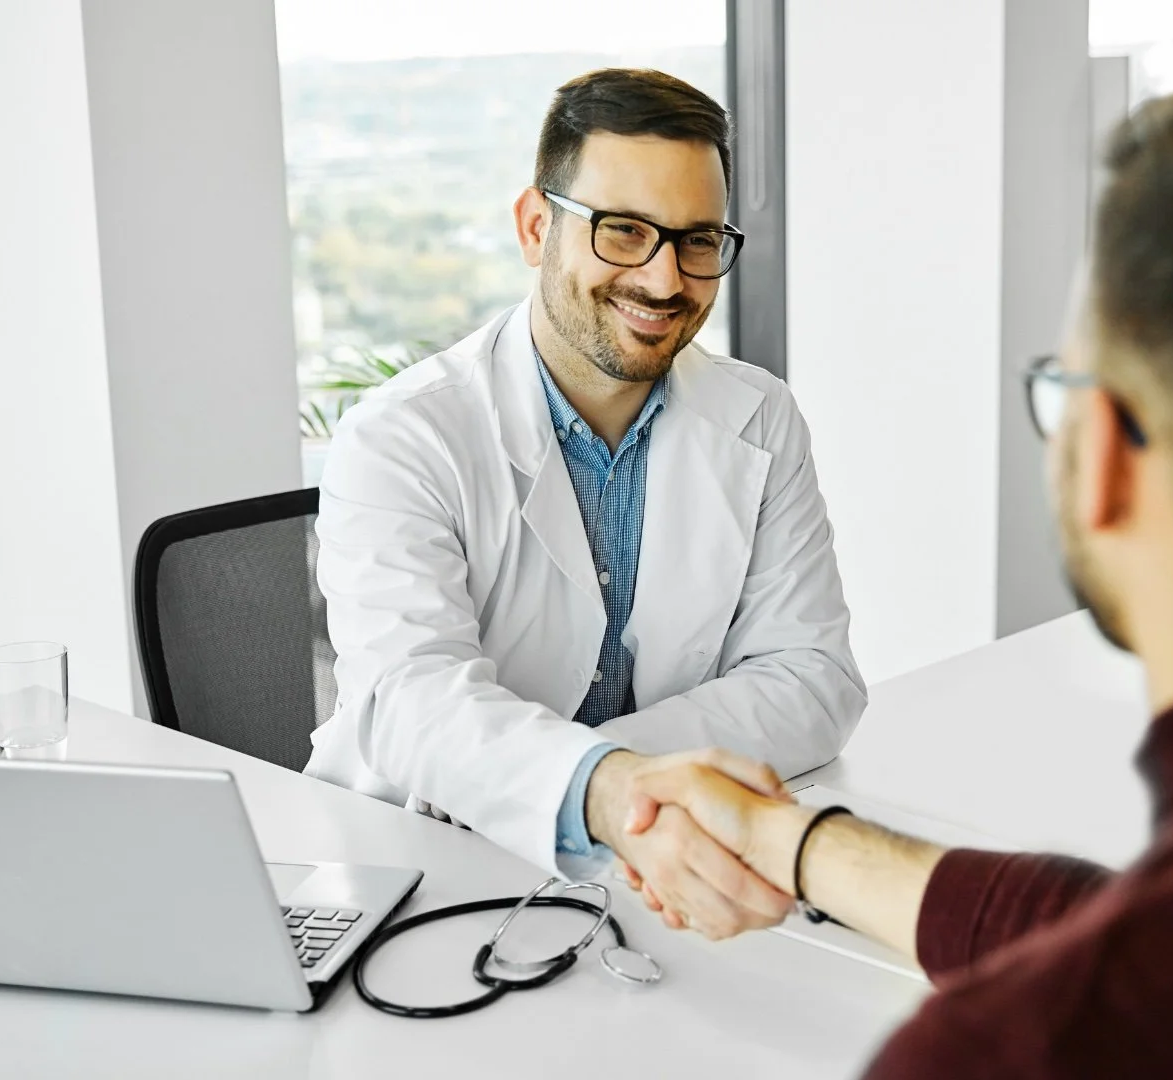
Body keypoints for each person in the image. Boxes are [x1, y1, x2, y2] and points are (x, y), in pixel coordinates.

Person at [623, 67, 1173, 1075]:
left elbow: (1165, 955)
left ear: (1109, 459)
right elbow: (1161, 924)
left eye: (1065, 385)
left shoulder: (1011, 1052)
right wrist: (795, 843)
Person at [303, 67, 865, 938]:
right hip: (418, 865)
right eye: (625, 231)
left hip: (654, 868)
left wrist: (615, 794)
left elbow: (813, 683)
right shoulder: (402, 435)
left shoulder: (760, 419)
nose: (665, 277)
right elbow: (413, 703)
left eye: (697, 239)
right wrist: (614, 786)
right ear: (536, 226)